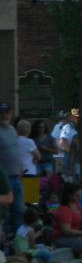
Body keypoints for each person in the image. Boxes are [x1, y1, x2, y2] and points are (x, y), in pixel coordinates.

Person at [0, 102, 25, 238]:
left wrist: (20, 166)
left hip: (16, 175)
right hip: (4, 178)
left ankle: (18, 242)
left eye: (7, 112)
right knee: (3, 213)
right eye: (2, 113)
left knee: (19, 210)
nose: (5, 115)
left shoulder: (12, 130)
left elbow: (16, 150)